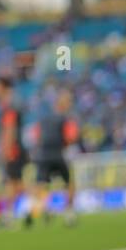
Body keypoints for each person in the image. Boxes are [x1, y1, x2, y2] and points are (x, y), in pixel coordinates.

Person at [32, 89, 79, 226]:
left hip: (44, 155)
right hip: (59, 154)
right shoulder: (66, 119)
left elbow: (36, 137)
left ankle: (45, 208)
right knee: (69, 184)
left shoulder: (44, 119)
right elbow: (71, 137)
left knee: (41, 184)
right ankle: (69, 213)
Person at [0, 76, 28, 228]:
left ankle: (8, 217)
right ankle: (38, 208)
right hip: (16, 147)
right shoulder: (11, 103)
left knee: (12, 184)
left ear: (3, 88)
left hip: (13, 149)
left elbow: (10, 128)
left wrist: (5, 149)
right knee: (17, 185)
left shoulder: (9, 105)